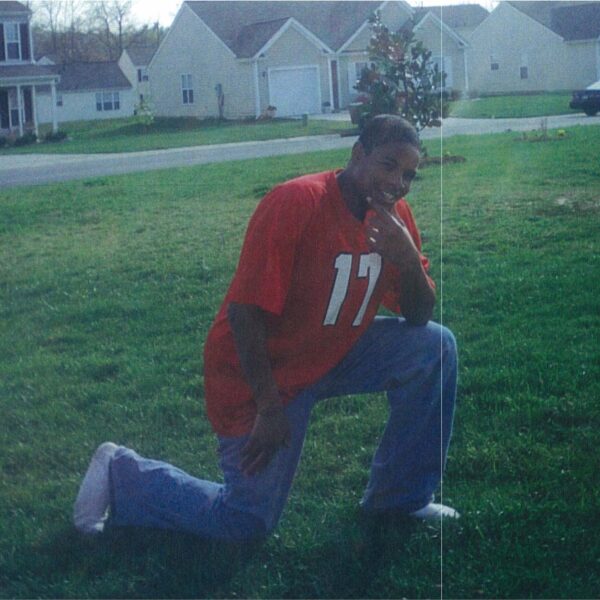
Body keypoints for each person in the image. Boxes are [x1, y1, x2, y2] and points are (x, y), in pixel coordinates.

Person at [73, 114, 459, 541]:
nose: (398, 182)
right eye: (388, 165)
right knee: (244, 521)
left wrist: (406, 258)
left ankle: (399, 498)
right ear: (357, 154)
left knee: (435, 346)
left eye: (408, 174)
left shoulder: (395, 216)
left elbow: (419, 315)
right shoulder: (297, 201)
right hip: (263, 371)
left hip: (331, 350)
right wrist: (270, 409)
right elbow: (245, 313)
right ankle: (121, 472)